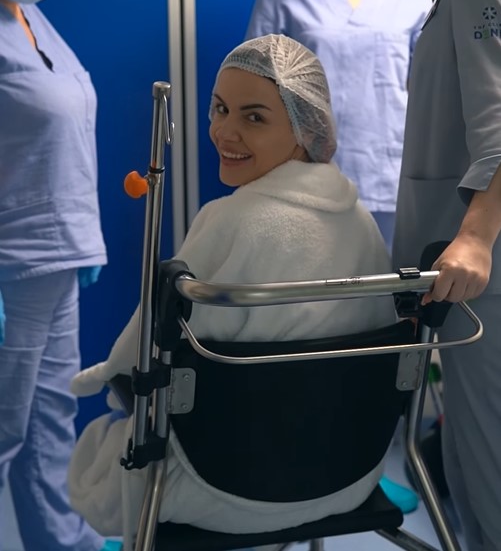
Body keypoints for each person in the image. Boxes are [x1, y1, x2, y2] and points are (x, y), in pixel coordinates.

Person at [68, 34, 396, 543]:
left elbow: (138, 362)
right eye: (219, 109)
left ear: (306, 127)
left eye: (254, 117)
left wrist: (102, 379)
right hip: (349, 477)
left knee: (103, 445)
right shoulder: (361, 221)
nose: (224, 131)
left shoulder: (230, 219)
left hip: (225, 490)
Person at [374, 0, 501, 551]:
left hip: (481, 272)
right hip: (468, 268)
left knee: (482, 467)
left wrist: (476, 236)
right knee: (470, 455)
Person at [246, 0, 431, 252]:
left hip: (392, 166)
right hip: (306, 172)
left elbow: (432, 83)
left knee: (392, 280)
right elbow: (254, 90)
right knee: (316, 281)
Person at [0, 0, 109, 551]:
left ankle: (64, 543)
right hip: (12, 261)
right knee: (4, 425)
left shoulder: (33, 20)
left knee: (50, 418)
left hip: (59, 253)